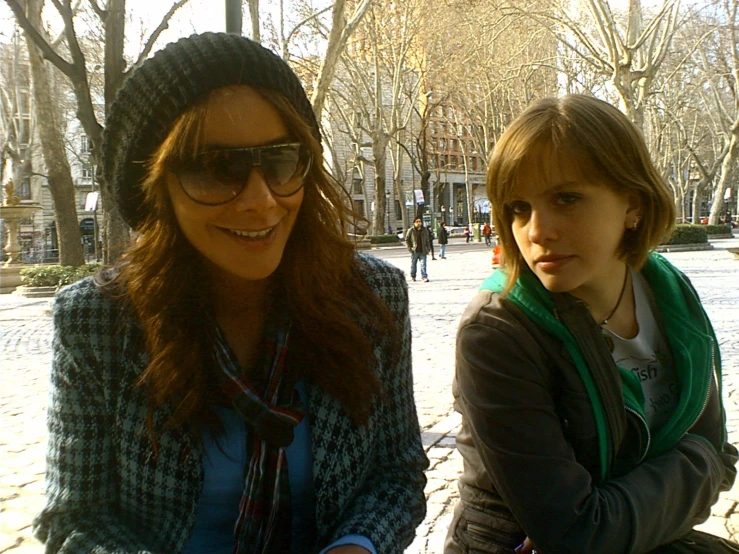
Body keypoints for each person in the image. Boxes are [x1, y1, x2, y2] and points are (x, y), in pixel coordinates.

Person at [33, 33, 428, 554]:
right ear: (155, 187)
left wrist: (357, 545)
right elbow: (75, 518)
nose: (260, 201)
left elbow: (397, 474)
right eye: (218, 169)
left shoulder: (373, 297)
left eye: (283, 161)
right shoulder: (96, 320)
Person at [445, 95, 738, 554]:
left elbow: (716, 451)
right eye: (519, 207)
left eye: (567, 198)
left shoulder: (671, 293)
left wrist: (698, 464)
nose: (537, 231)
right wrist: (694, 468)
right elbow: (577, 534)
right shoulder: (498, 331)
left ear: (633, 204)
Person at [405, 217, 431, 282]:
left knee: (423, 264)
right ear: (414, 223)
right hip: (414, 250)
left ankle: (424, 276)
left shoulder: (424, 230)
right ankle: (413, 276)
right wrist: (410, 248)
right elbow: (407, 240)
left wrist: (428, 248)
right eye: (417, 221)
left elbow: (427, 240)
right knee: (413, 265)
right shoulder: (411, 230)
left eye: (419, 221)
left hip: (423, 250)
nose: (418, 223)